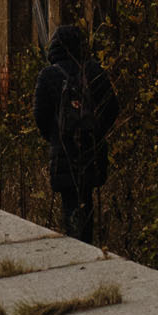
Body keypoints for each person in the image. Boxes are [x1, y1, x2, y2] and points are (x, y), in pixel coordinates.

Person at [32, 23, 118, 244]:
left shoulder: (48, 75)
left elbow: (40, 115)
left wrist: (55, 137)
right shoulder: (94, 71)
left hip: (63, 151)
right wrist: (96, 132)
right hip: (91, 149)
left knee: (70, 203)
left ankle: (76, 246)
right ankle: (86, 245)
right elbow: (112, 107)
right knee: (86, 199)